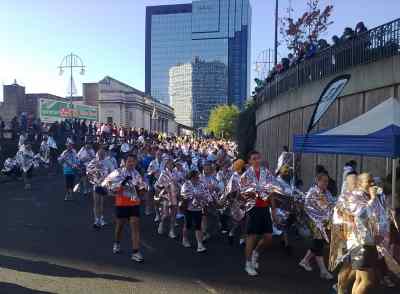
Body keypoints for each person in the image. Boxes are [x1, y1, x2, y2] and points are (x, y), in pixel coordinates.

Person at [103, 154, 147, 262]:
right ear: (125, 162)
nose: (131, 163)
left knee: (135, 226)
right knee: (120, 226)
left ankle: (135, 252)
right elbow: (109, 185)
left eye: (133, 161)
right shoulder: (118, 172)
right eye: (129, 161)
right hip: (122, 203)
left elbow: (141, 187)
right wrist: (120, 185)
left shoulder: (137, 174)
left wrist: (142, 191)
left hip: (134, 203)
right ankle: (117, 243)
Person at [240, 150, 275, 276]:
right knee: (252, 236)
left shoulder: (266, 173)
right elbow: (243, 193)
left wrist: (274, 210)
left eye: (258, 158)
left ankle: (256, 253)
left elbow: (272, 190)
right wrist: (253, 192)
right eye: (253, 158)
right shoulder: (246, 175)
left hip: (265, 207)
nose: (256, 160)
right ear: (249, 161)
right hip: (253, 208)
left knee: (269, 237)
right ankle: (248, 264)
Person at [299, 172, 335, 280]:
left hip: (323, 222)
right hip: (315, 222)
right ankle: (323, 271)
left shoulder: (326, 192)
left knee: (318, 243)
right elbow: (325, 206)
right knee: (319, 244)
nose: (325, 183)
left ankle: (305, 261)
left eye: (327, 181)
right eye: (323, 181)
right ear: (317, 181)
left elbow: (331, 204)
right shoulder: (314, 192)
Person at [181, 169, 209, 253]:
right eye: (197, 177)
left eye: (198, 177)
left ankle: (200, 245)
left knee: (198, 226)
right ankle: (184, 239)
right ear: (192, 177)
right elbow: (184, 196)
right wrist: (195, 196)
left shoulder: (201, 184)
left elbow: (205, 194)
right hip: (188, 208)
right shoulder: (186, 185)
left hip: (198, 208)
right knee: (188, 225)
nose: (198, 178)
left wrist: (204, 201)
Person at [87, 148, 114, 229]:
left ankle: (101, 218)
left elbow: (112, 172)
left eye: (103, 153)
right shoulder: (94, 161)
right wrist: (95, 169)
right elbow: (88, 171)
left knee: (102, 203)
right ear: (97, 154)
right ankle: (96, 220)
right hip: (96, 184)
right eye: (100, 153)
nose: (101, 155)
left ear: (105, 154)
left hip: (104, 185)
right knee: (96, 202)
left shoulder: (108, 162)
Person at [155, 157, 178, 239]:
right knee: (166, 214)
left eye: (172, 164)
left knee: (174, 214)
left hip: (174, 195)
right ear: (166, 165)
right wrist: (163, 190)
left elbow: (178, 183)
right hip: (166, 196)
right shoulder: (163, 173)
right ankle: (161, 223)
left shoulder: (175, 173)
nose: (172, 165)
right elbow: (157, 186)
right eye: (170, 164)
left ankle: (171, 231)